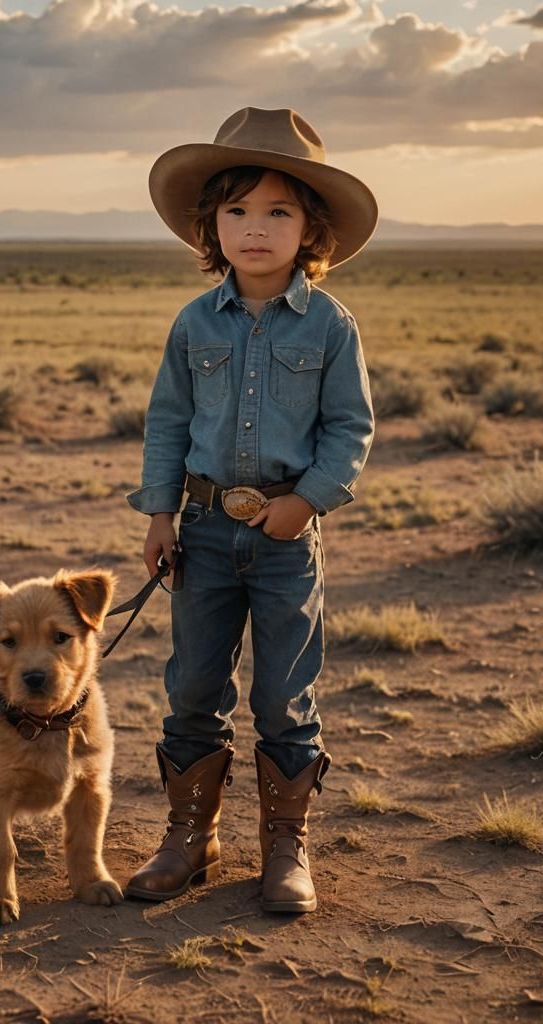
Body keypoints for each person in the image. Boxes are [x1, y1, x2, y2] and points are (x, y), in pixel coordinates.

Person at [124, 107, 377, 913]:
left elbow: (350, 427)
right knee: (194, 686)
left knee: (283, 696)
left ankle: (285, 849)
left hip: (283, 536)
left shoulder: (331, 326)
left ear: (310, 228)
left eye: (277, 211)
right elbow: (167, 422)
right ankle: (189, 840)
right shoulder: (194, 323)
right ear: (211, 225)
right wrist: (160, 517)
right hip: (199, 531)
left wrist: (305, 502)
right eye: (236, 210)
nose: (255, 229)